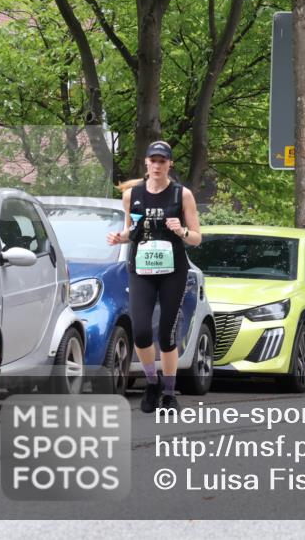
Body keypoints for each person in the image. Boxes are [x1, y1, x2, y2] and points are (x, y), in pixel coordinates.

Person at [106, 141, 202, 413]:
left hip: (173, 271)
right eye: (153, 160)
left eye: (162, 161)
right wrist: (119, 237)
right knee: (141, 331)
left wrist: (181, 231)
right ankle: (152, 382)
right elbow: (131, 230)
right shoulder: (132, 195)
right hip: (142, 269)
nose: (157, 165)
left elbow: (197, 237)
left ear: (170, 164)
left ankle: (169, 392)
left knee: (167, 333)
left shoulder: (181, 195)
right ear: (146, 163)